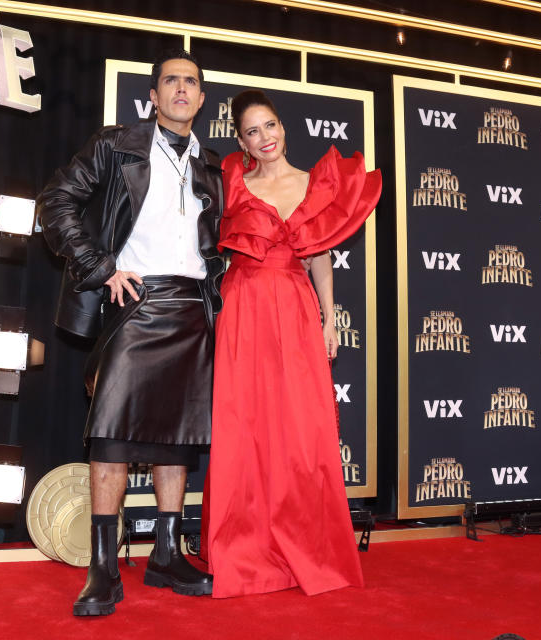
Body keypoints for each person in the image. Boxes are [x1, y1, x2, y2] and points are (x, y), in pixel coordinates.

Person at [37, 49, 224, 616]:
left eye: (191, 82)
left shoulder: (212, 165)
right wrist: (98, 266)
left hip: (193, 307)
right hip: (135, 303)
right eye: (171, 81)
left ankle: (167, 553)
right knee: (111, 439)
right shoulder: (116, 145)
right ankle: (103, 567)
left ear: (201, 97)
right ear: (154, 94)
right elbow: (57, 200)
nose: (182, 90)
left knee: (178, 440)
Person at [204, 89, 381, 598]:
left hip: (296, 303)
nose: (265, 138)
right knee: (244, 425)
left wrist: (330, 317)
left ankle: (308, 548)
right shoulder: (231, 185)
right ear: (240, 140)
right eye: (253, 131)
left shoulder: (313, 184)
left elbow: (319, 253)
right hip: (243, 306)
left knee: (303, 429)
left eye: (271, 126)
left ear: (283, 127)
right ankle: (243, 550)